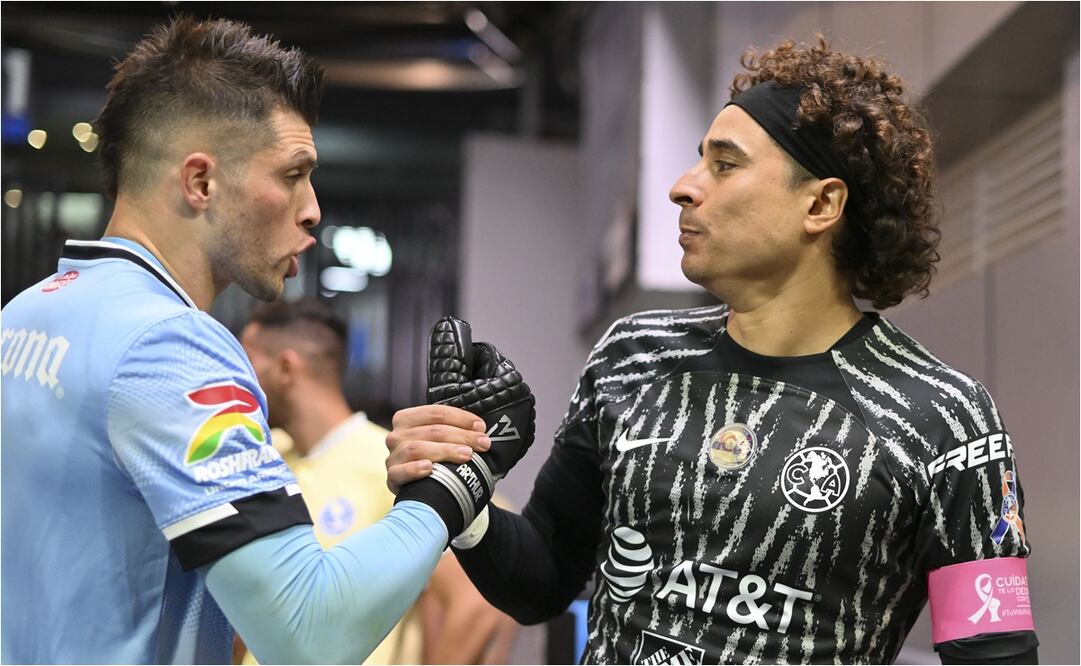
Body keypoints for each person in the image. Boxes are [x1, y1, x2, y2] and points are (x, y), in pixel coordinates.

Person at [385, 38, 1038, 664]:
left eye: (723, 165)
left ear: (820, 203)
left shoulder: (944, 420)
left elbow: (994, 655)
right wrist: (461, 487)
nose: (682, 186)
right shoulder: (632, 357)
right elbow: (544, 581)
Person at [0, 16, 506, 664]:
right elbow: (307, 633)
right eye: (294, 173)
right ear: (200, 182)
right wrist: (450, 487)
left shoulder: (24, 315)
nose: (312, 208)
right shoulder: (171, 348)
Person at [238, 298, 519, 664]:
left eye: (247, 362)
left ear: (286, 368)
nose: (236, 378)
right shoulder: (263, 462)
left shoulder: (397, 464)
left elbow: (478, 603)